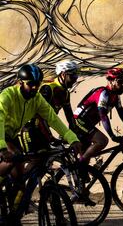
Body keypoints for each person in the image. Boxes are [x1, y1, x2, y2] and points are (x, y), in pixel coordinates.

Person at [0, 64, 82, 214]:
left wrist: (72, 138)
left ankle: (13, 215)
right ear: (20, 83)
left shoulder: (36, 99)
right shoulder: (8, 95)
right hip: (1, 135)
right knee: (13, 158)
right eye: (30, 84)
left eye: (37, 84)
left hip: (11, 135)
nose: (34, 88)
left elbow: (53, 119)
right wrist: (2, 148)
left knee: (19, 179)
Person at [73, 68, 123, 164]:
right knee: (102, 141)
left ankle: (82, 172)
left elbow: (121, 112)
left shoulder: (115, 95)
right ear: (111, 81)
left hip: (87, 123)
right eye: (120, 81)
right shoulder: (103, 93)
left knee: (86, 153)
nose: (122, 84)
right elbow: (103, 116)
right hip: (79, 121)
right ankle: (79, 165)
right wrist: (112, 136)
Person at [21, 60, 80, 153]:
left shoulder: (66, 93)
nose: (76, 79)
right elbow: (39, 116)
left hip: (43, 130)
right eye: (73, 76)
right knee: (35, 162)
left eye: (76, 76)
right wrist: (50, 137)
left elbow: (70, 116)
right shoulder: (48, 88)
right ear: (63, 74)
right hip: (30, 129)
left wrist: (74, 137)